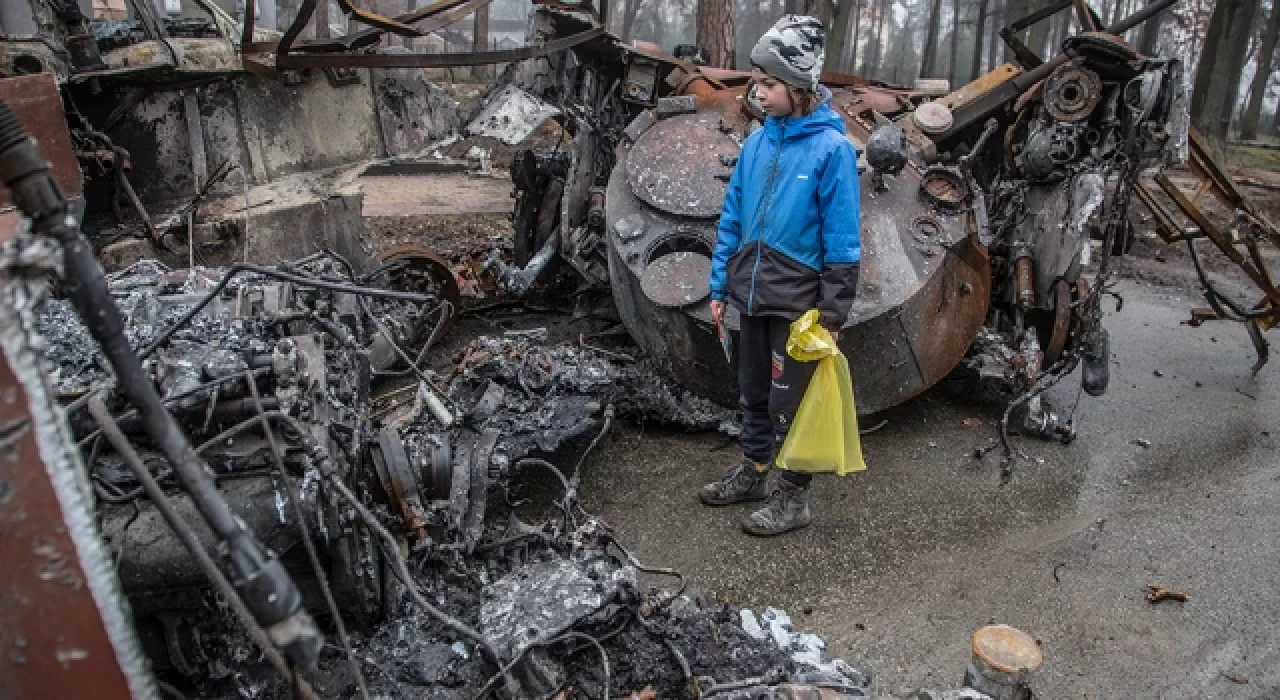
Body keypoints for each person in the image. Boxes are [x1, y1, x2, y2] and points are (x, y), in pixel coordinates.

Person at [701, 15, 862, 536]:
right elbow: (732, 218)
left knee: (789, 402)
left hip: (798, 301)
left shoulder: (832, 150)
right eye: (757, 81)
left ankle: (793, 498)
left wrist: (832, 315)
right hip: (751, 291)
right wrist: (720, 285)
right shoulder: (756, 144)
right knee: (752, 391)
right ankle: (754, 470)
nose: (759, 93)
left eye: (769, 84)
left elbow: (843, 239)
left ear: (799, 87)